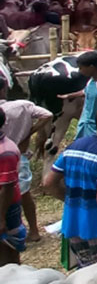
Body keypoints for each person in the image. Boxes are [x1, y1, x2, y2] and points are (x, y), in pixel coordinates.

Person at [45, 105, 97, 267]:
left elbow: (49, 183)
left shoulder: (74, 146)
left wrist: (73, 201)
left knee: (85, 271)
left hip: (73, 225)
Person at [0, 86, 52, 245]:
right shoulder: (22, 105)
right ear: (3, 89)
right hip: (19, 154)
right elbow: (47, 114)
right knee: (23, 194)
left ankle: (18, 230)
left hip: (5, 158)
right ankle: (33, 230)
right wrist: (28, 132)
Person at [0, 109, 26, 266]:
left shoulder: (6, 151)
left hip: (5, 207)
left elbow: (7, 188)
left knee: (7, 252)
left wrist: (0, 218)